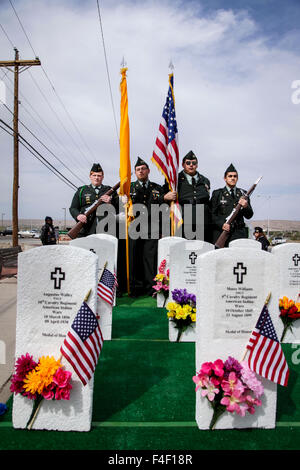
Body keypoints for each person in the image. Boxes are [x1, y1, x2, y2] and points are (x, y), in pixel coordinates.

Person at [129, 157, 175, 297]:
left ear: (148, 170)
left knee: (150, 259)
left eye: (143, 168)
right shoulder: (129, 188)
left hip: (152, 227)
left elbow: (162, 210)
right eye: (138, 169)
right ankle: (136, 288)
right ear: (135, 172)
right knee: (134, 258)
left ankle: (151, 288)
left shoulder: (157, 188)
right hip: (134, 228)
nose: (141, 171)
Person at [168, 150, 211, 241]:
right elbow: (164, 195)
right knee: (184, 247)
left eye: (194, 163)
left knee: (202, 247)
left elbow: (207, 199)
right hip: (184, 217)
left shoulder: (205, 180)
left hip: (202, 219)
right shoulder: (175, 180)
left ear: (197, 165)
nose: (191, 165)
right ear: (183, 165)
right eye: (188, 163)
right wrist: (165, 196)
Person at [69, 163, 119, 237]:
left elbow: (119, 209)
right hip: (86, 230)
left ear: (102, 177)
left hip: (105, 231)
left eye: (99, 175)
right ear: (90, 176)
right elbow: (73, 208)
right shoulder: (82, 190)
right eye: (94, 175)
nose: (96, 178)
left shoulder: (109, 190)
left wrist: (110, 203)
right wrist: (78, 215)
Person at [210, 163, 254, 246]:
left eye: (235, 176)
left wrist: (245, 206)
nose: (233, 178)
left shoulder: (243, 194)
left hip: (239, 233)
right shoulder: (217, 194)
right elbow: (211, 214)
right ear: (225, 178)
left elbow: (249, 215)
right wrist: (222, 224)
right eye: (230, 176)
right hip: (222, 232)